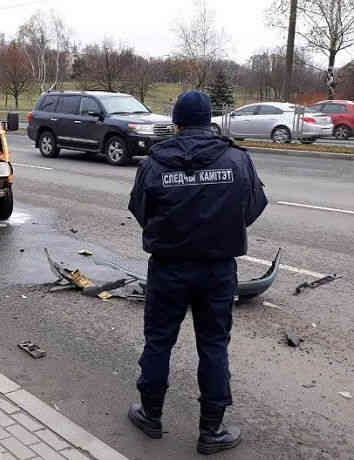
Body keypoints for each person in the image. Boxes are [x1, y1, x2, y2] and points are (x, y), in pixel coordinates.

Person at [127, 90, 267, 455]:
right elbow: (252, 207)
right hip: (217, 269)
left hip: (168, 267)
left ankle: (151, 414)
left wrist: (174, 233)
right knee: (214, 346)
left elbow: (141, 209)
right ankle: (211, 429)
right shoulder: (237, 160)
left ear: (176, 122)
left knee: (159, 341)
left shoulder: (154, 162)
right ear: (210, 122)